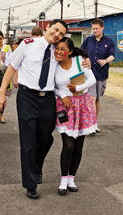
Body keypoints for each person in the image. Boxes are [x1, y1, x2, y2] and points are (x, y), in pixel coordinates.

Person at [0, 19, 91, 199]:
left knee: (46, 139)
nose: (57, 34)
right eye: (55, 30)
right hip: (27, 97)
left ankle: (36, 166)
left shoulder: (59, 51)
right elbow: (11, 68)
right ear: (48, 27)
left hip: (47, 99)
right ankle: (30, 184)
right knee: (28, 141)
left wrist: (87, 61)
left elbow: (75, 59)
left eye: (61, 33)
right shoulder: (27, 44)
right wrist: (1, 93)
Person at [54, 37, 97, 195]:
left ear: (70, 52)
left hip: (83, 105)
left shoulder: (80, 61)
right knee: (68, 145)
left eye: (63, 49)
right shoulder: (54, 65)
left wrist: (78, 87)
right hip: (65, 107)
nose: (59, 51)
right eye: (57, 48)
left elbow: (92, 79)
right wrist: (62, 95)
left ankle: (72, 179)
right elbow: (52, 86)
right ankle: (63, 180)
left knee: (78, 145)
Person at [81, 19, 115, 128]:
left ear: (102, 28)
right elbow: (81, 53)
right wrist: (85, 59)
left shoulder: (109, 42)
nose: (94, 30)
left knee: (97, 100)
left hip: (102, 74)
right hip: (89, 74)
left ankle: (94, 121)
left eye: (96, 28)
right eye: (93, 28)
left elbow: (112, 55)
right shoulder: (88, 40)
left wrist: (106, 60)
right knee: (91, 98)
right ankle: (92, 125)